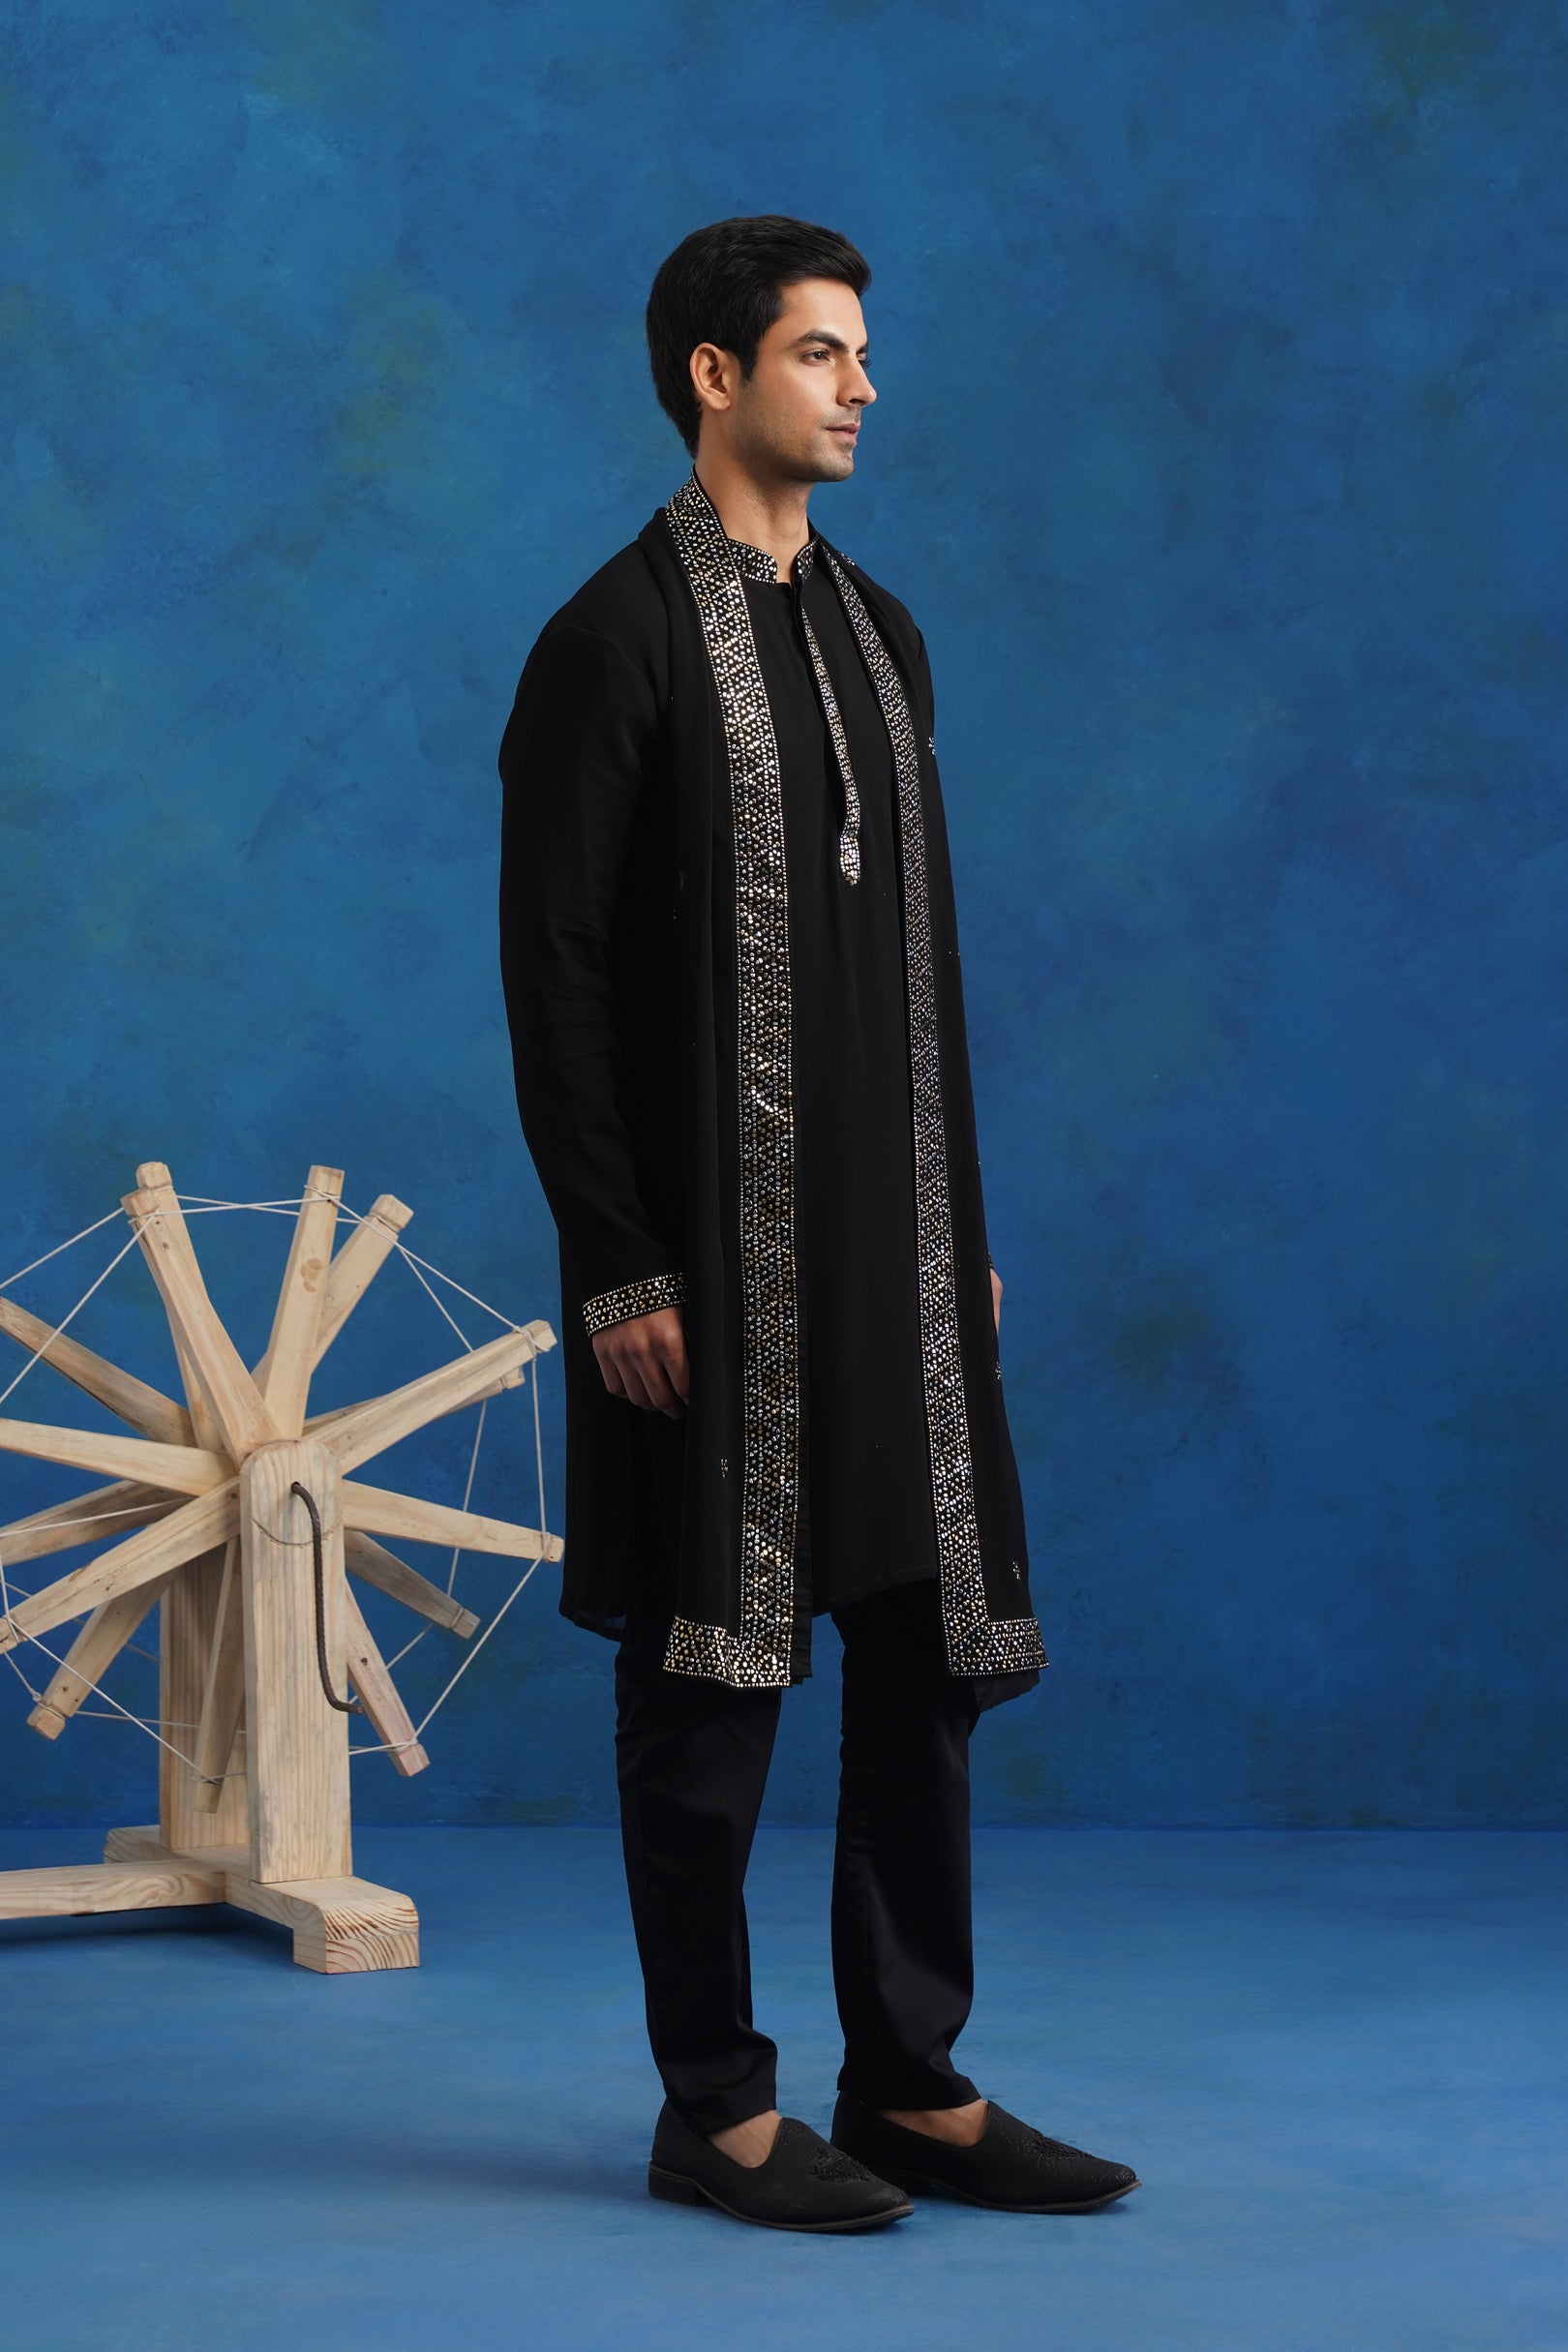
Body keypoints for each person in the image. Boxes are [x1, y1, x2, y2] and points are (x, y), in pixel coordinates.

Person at [498, 215, 1138, 2233]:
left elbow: (917, 969)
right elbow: (553, 978)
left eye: (863, 353)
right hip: (708, 1264)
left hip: (897, 1255)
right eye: (820, 352)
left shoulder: (882, 633)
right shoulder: (611, 642)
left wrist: (959, 1228)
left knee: (923, 1651)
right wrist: (617, 1258)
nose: (862, 385)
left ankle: (912, 2079)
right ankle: (715, 2105)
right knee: (711, 1681)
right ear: (715, 376)